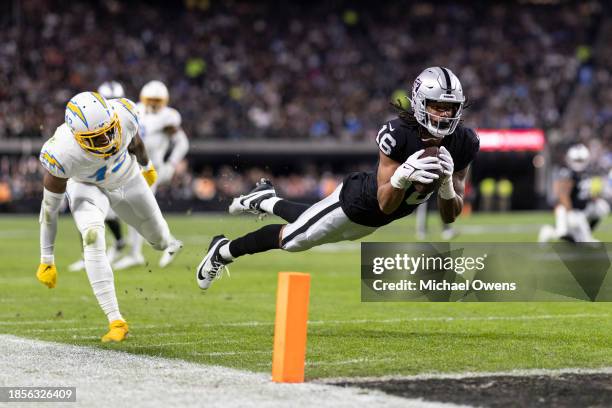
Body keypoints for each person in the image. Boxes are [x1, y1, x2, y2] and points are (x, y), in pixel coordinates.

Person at [195, 67, 479, 290]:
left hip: (373, 222)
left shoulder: (464, 142)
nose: (444, 114)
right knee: (294, 239)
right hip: (357, 202)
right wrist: (403, 176)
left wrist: (445, 186)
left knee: (307, 218)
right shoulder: (398, 135)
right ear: (420, 103)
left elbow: (450, 216)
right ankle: (223, 250)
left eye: (450, 108)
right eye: (437, 106)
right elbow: (385, 202)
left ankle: (266, 200)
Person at [36, 91, 182, 342]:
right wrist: (46, 258)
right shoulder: (61, 153)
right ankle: (116, 320)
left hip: (127, 178)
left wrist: (147, 167)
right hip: (85, 186)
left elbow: (135, 142)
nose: (105, 139)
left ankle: (167, 242)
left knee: (159, 238)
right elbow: (49, 208)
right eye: (95, 137)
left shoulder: (124, 113)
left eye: (108, 130)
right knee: (92, 237)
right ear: (77, 137)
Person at [114, 80, 190, 270]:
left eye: (157, 100)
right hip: (132, 167)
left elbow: (182, 143)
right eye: (151, 99)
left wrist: (172, 164)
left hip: (151, 169)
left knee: (138, 209)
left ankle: (136, 254)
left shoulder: (168, 117)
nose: (154, 104)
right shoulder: (135, 110)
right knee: (136, 210)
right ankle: (170, 243)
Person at [68, 81, 128, 272]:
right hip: (89, 173)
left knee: (105, 213)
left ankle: (118, 243)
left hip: (113, 173)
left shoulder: (125, 121)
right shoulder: (87, 123)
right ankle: (93, 254)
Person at [538, 144, 609, 243]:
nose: (578, 163)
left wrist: (593, 198)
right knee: (563, 233)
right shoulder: (567, 172)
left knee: (602, 207)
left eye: (580, 160)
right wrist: (570, 212)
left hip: (581, 208)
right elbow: (562, 195)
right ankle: (548, 231)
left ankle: (582, 235)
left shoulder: (587, 171)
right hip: (567, 209)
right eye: (576, 160)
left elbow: (584, 191)